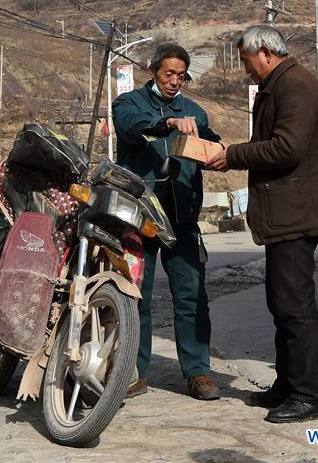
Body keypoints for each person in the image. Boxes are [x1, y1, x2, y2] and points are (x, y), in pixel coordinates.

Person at [205, 25, 318, 424]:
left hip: (297, 213)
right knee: (282, 303)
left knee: (296, 306)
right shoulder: (280, 86)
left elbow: (287, 147)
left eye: (247, 61)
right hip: (287, 213)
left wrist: (232, 155)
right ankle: (288, 385)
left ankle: (310, 396)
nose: (246, 70)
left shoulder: (296, 85)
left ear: (265, 51)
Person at [112, 42, 222, 401]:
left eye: (181, 75)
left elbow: (211, 143)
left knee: (191, 296)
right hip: (139, 220)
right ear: (153, 72)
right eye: (168, 74)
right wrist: (167, 123)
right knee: (135, 296)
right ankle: (133, 370)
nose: (175, 81)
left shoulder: (195, 112)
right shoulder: (128, 104)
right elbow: (131, 128)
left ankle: (198, 372)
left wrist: (216, 150)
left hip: (183, 219)